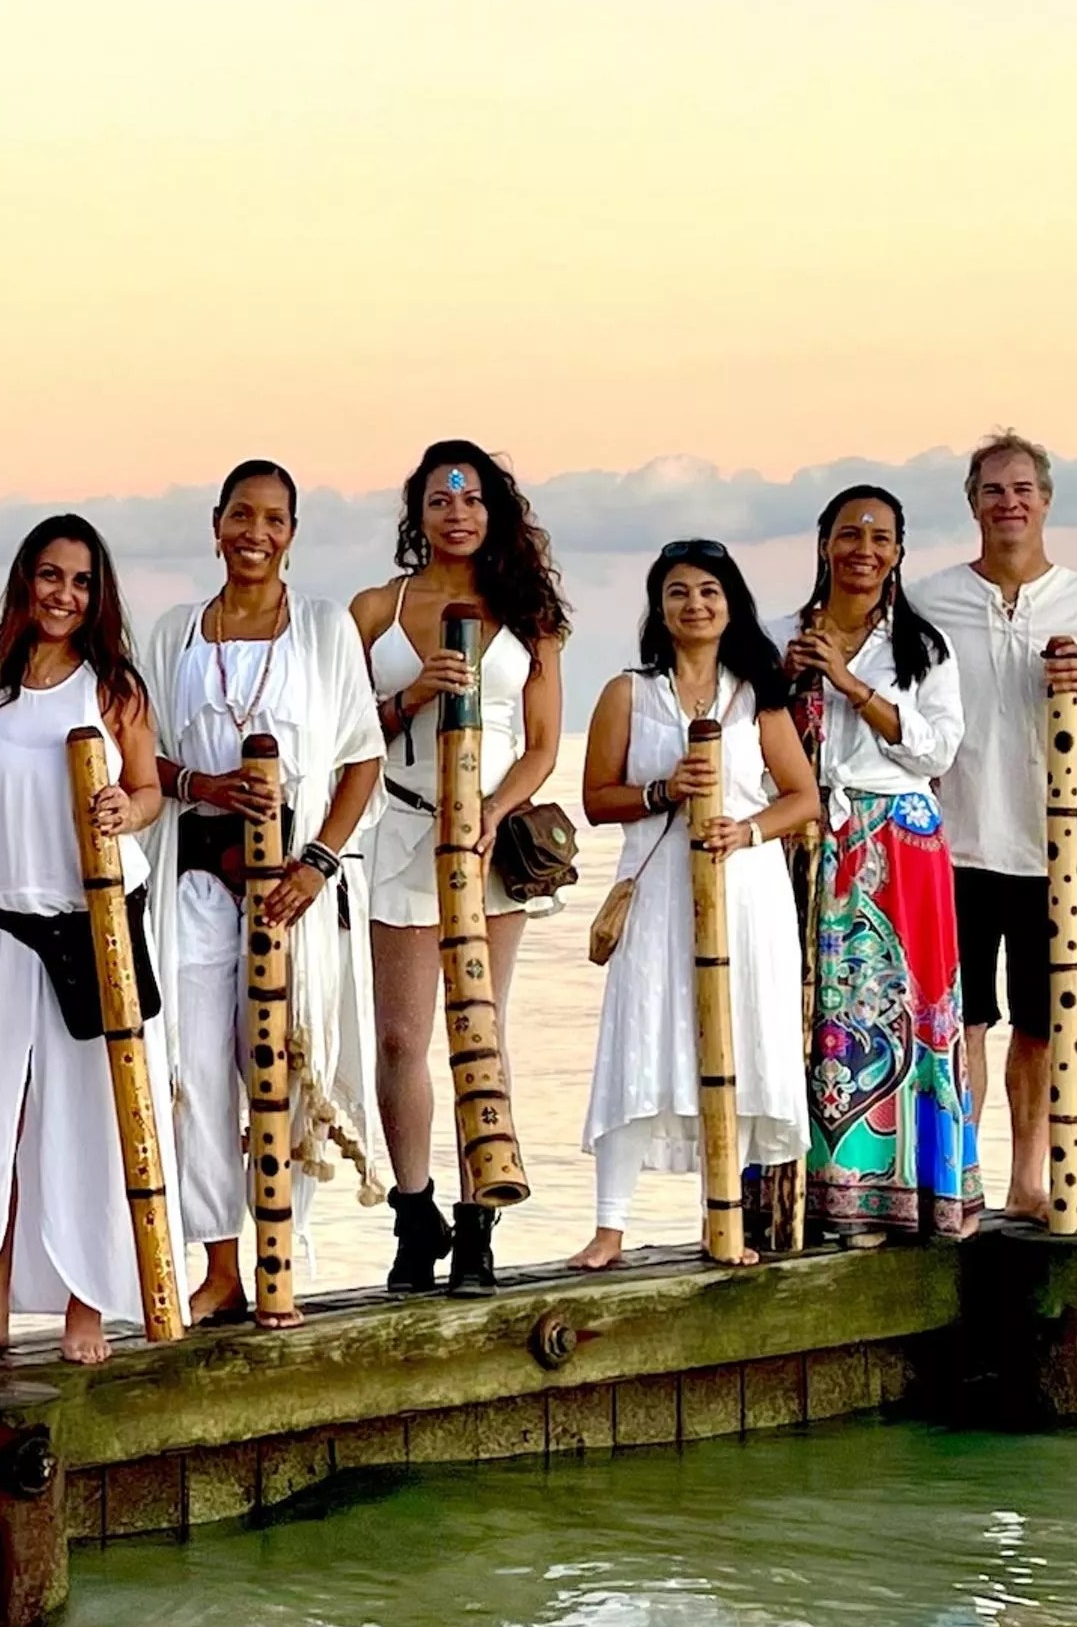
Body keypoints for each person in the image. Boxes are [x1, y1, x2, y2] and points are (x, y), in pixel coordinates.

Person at [137, 460, 385, 1329]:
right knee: (197, 1069)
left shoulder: (320, 630)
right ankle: (217, 1263)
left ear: (291, 533)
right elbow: (142, 761)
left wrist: (317, 862)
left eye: (273, 519)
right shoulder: (174, 633)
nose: (255, 533)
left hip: (290, 886)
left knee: (278, 1063)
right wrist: (202, 785)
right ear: (215, 526)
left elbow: (362, 755)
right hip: (197, 876)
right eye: (240, 515)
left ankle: (283, 1259)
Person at [0, 516, 170, 1367]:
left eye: (82, 582)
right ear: (24, 578)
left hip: (91, 923)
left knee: (84, 1121)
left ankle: (85, 1304)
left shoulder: (111, 689)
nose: (64, 594)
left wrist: (123, 810)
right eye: (50, 575)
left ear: (96, 596)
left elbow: (147, 791)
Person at [904, 431, 1077, 1220]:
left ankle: (1027, 1180)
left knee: (1043, 1027)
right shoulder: (927, 600)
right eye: (991, 490)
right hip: (953, 844)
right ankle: (958, 1182)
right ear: (971, 504)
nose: (1008, 503)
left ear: (1044, 501)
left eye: (1021, 489)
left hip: (1059, 851)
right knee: (961, 1023)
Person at [350, 441, 567, 1296]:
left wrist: (492, 813)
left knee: (480, 1029)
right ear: (418, 513)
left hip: (488, 834)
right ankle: (414, 1213)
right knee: (400, 1034)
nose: (456, 514)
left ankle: (481, 1222)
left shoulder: (529, 612)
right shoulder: (377, 606)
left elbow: (544, 744)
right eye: (440, 501)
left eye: (471, 499)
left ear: (493, 510)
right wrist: (412, 695)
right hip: (399, 822)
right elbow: (342, 727)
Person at [571, 542, 816, 1270]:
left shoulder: (754, 695)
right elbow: (594, 799)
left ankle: (725, 1217)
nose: (694, 605)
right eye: (677, 592)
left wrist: (744, 829)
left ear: (730, 603)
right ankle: (608, 1226)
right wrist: (663, 791)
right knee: (640, 1033)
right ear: (659, 608)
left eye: (708, 591)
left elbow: (803, 800)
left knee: (734, 1038)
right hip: (658, 891)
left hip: (743, 886)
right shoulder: (628, 692)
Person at [769, 486, 974, 1244]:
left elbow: (934, 750)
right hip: (808, 833)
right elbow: (751, 746)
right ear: (823, 543)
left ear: (897, 552)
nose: (864, 549)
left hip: (897, 840)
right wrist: (787, 681)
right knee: (808, 1012)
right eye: (849, 533)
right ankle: (803, 1199)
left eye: (880, 537)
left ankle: (900, 1200)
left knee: (898, 1015)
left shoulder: (921, 646)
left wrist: (851, 686)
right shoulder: (776, 635)